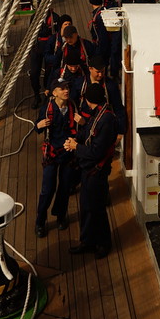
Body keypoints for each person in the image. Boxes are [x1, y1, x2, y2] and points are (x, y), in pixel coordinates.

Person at [65, 84, 117, 258]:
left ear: (88, 100)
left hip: (97, 171)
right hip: (88, 170)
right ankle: (87, 241)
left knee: (97, 208)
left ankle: (103, 243)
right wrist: (74, 139)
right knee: (86, 207)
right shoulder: (98, 114)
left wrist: (76, 147)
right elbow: (87, 132)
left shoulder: (106, 120)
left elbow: (97, 152)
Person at [33, 80, 76, 237]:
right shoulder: (47, 109)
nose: (66, 90)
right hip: (52, 153)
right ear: (54, 93)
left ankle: (60, 215)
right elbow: (37, 126)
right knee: (47, 189)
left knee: (64, 187)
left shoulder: (72, 106)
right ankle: (40, 221)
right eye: (62, 88)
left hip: (67, 152)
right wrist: (39, 125)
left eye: (67, 87)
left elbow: (77, 128)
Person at [28, 7, 61, 108]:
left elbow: (58, 34)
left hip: (50, 47)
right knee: (33, 73)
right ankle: (37, 95)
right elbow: (31, 32)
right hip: (37, 47)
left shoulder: (55, 18)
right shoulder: (35, 17)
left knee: (49, 73)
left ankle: (48, 95)